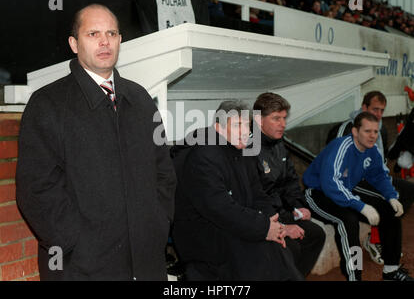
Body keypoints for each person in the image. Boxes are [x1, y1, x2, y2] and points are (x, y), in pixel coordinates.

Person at [16, 4, 176, 280]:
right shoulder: (47, 104)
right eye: (93, 34)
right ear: (74, 44)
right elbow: (36, 189)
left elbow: (164, 172)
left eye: (111, 33)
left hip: (146, 261)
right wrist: (75, 242)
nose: (104, 41)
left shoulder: (140, 99)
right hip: (80, 267)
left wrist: (157, 226)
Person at [171, 100, 303, 281]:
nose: (245, 132)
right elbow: (219, 208)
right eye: (237, 125)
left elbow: (258, 192)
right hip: (203, 233)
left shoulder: (243, 151)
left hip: (232, 223)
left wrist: (273, 222)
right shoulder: (203, 157)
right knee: (267, 251)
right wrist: (264, 228)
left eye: (247, 125)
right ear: (218, 128)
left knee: (285, 247)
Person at [303, 112, 413, 281]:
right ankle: (355, 277)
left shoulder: (371, 149)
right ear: (355, 131)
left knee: (388, 209)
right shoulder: (341, 147)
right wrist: (361, 206)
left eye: (375, 132)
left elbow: (379, 176)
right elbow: (331, 184)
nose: (372, 136)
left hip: (345, 189)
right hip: (318, 193)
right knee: (348, 220)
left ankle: (391, 270)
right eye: (367, 131)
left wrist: (391, 196)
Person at [326, 91, 414, 265]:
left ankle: (379, 235)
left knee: (408, 190)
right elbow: (334, 167)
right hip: (349, 182)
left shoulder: (379, 129)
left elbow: (378, 163)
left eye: (382, 110)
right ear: (363, 107)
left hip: (369, 178)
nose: (379, 114)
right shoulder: (347, 128)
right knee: (386, 201)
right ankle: (376, 241)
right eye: (375, 109)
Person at [252, 92, 325, 277]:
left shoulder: (279, 144)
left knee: (316, 235)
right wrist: (283, 227)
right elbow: (254, 196)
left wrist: (297, 205)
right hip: (262, 218)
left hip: (281, 211)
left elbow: (290, 180)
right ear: (259, 120)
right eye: (276, 118)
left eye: (284, 118)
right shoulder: (247, 148)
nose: (283, 124)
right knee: (290, 246)